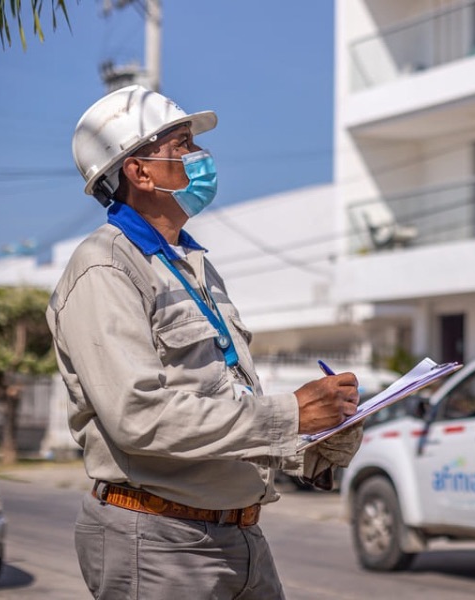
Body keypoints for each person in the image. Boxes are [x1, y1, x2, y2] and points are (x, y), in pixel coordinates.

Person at [47, 85, 363, 599]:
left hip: (239, 534)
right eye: (182, 146)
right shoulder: (105, 267)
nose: (200, 159)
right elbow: (139, 419)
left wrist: (323, 434)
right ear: (140, 171)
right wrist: (289, 415)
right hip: (157, 541)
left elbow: (224, 406)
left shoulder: (194, 266)